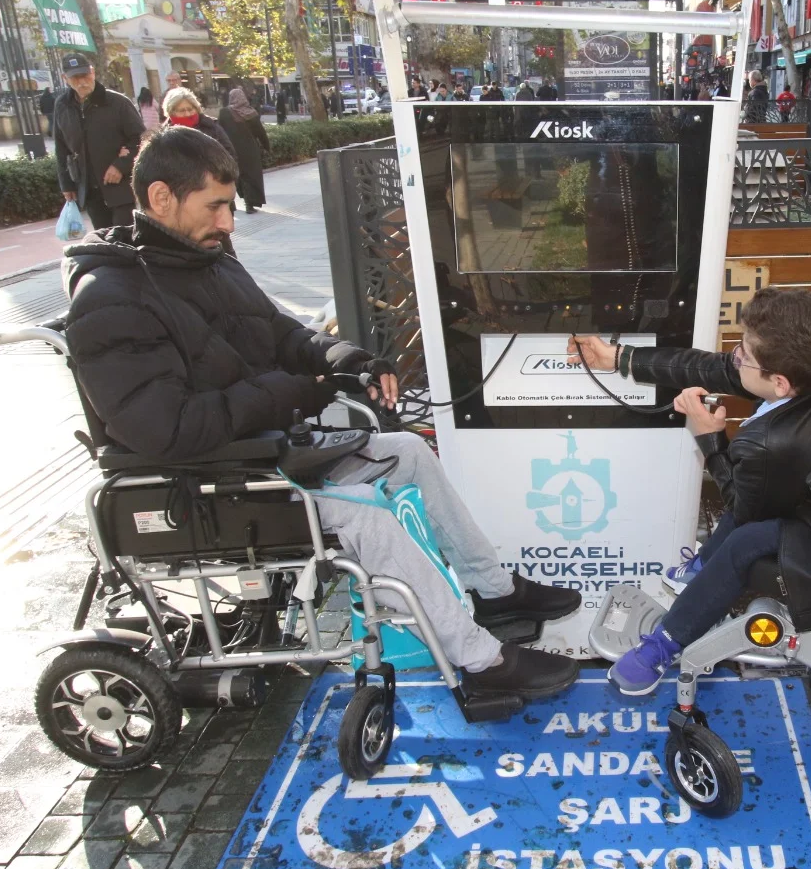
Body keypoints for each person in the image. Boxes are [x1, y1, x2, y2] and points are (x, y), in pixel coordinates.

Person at [63, 126, 584, 699]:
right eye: (215, 207)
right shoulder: (110, 296)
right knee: (366, 516)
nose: (228, 223)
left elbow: (281, 333)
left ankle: (492, 589)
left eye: (229, 207)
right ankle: (481, 663)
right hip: (212, 479)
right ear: (161, 198)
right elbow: (168, 429)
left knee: (408, 450)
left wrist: (350, 360)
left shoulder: (206, 260)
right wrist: (294, 392)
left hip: (263, 455)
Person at [566, 289, 811, 696]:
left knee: (747, 539)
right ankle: (701, 571)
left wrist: (711, 439)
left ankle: (666, 644)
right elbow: (711, 367)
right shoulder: (807, 382)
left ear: (779, 382)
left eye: (743, 352)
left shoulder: (772, 445)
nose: (734, 355)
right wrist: (619, 358)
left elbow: (743, 509)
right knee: (752, 500)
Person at [53, 53, 144, 231]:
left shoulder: (118, 103)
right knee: (103, 240)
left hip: (121, 187)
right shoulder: (62, 105)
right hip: (88, 187)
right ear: (65, 79)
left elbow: (141, 138)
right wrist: (66, 184)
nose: (82, 82)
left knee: (124, 238)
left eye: (85, 75)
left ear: (93, 72)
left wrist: (120, 165)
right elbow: (61, 147)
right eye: (75, 78)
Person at [218, 86, 270, 215]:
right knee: (250, 176)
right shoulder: (251, 113)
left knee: (233, 176)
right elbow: (260, 133)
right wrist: (267, 146)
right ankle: (249, 204)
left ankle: (231, 203)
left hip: (230, 149)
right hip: (249, 150)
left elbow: (219, 131)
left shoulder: (224, 112)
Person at [162, 86, 236, 158]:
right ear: (171, 112)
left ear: (196, 108)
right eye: (182, 111)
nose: (187, 114)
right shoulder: (163, 135)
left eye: (190, 109)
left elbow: (230, 155)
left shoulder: (212, 127)